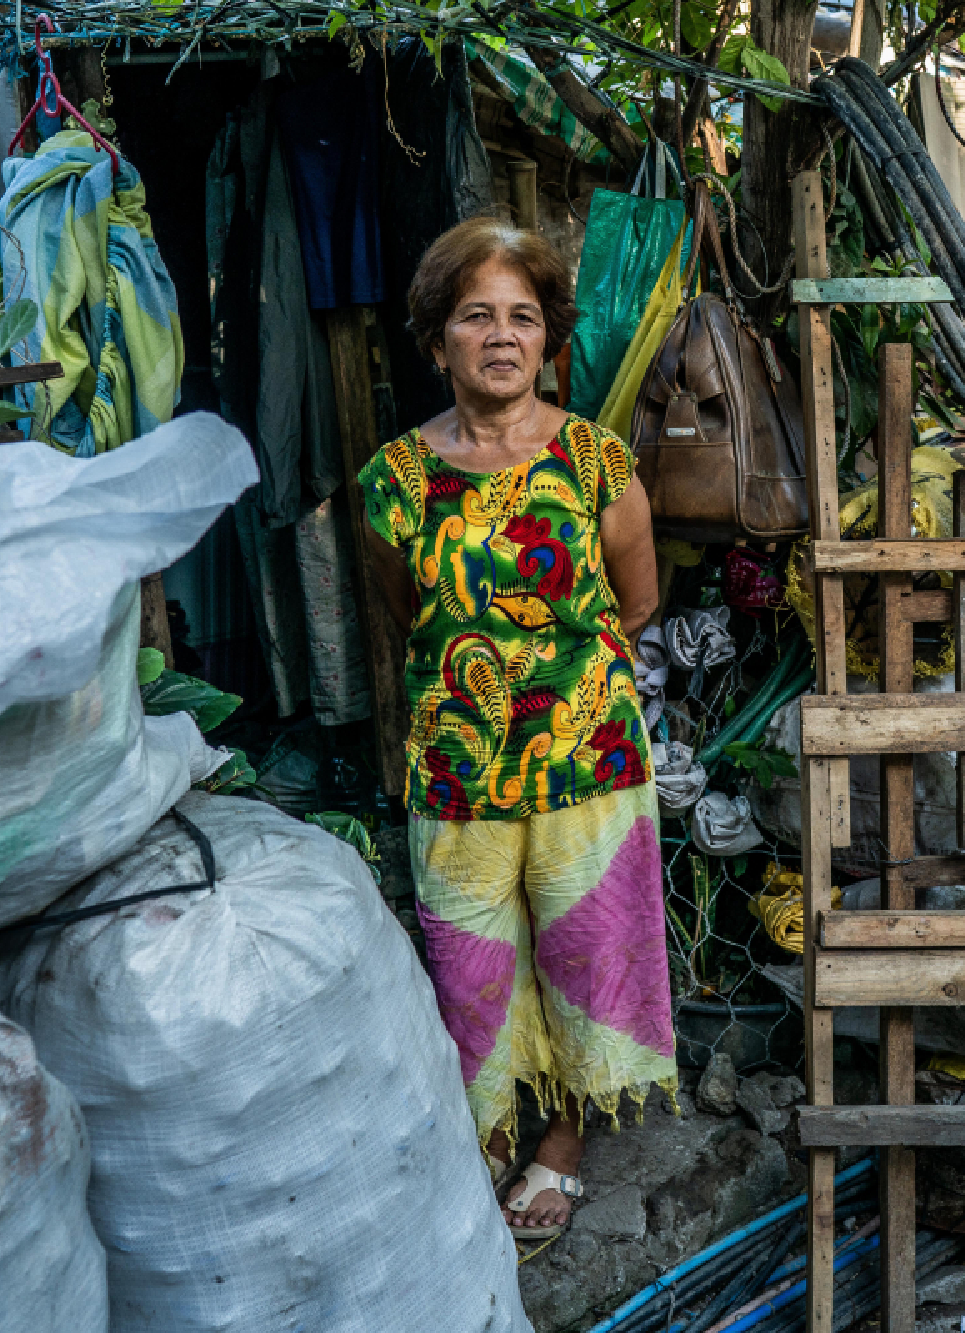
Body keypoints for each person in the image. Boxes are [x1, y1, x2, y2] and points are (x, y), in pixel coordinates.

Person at [359, 216, 677, 1241]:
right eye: (474, 316)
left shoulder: (594, 460)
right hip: (456, 767)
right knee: (469, 965)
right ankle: (490, 1132)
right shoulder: (394, 481)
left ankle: (563, 1144)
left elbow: (634, 603)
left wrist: (559, 692)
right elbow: (401, 615)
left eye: (522, 317)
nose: (500, 336)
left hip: (586, 761)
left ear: (548, 341)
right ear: (437, 337)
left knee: (590, 952)